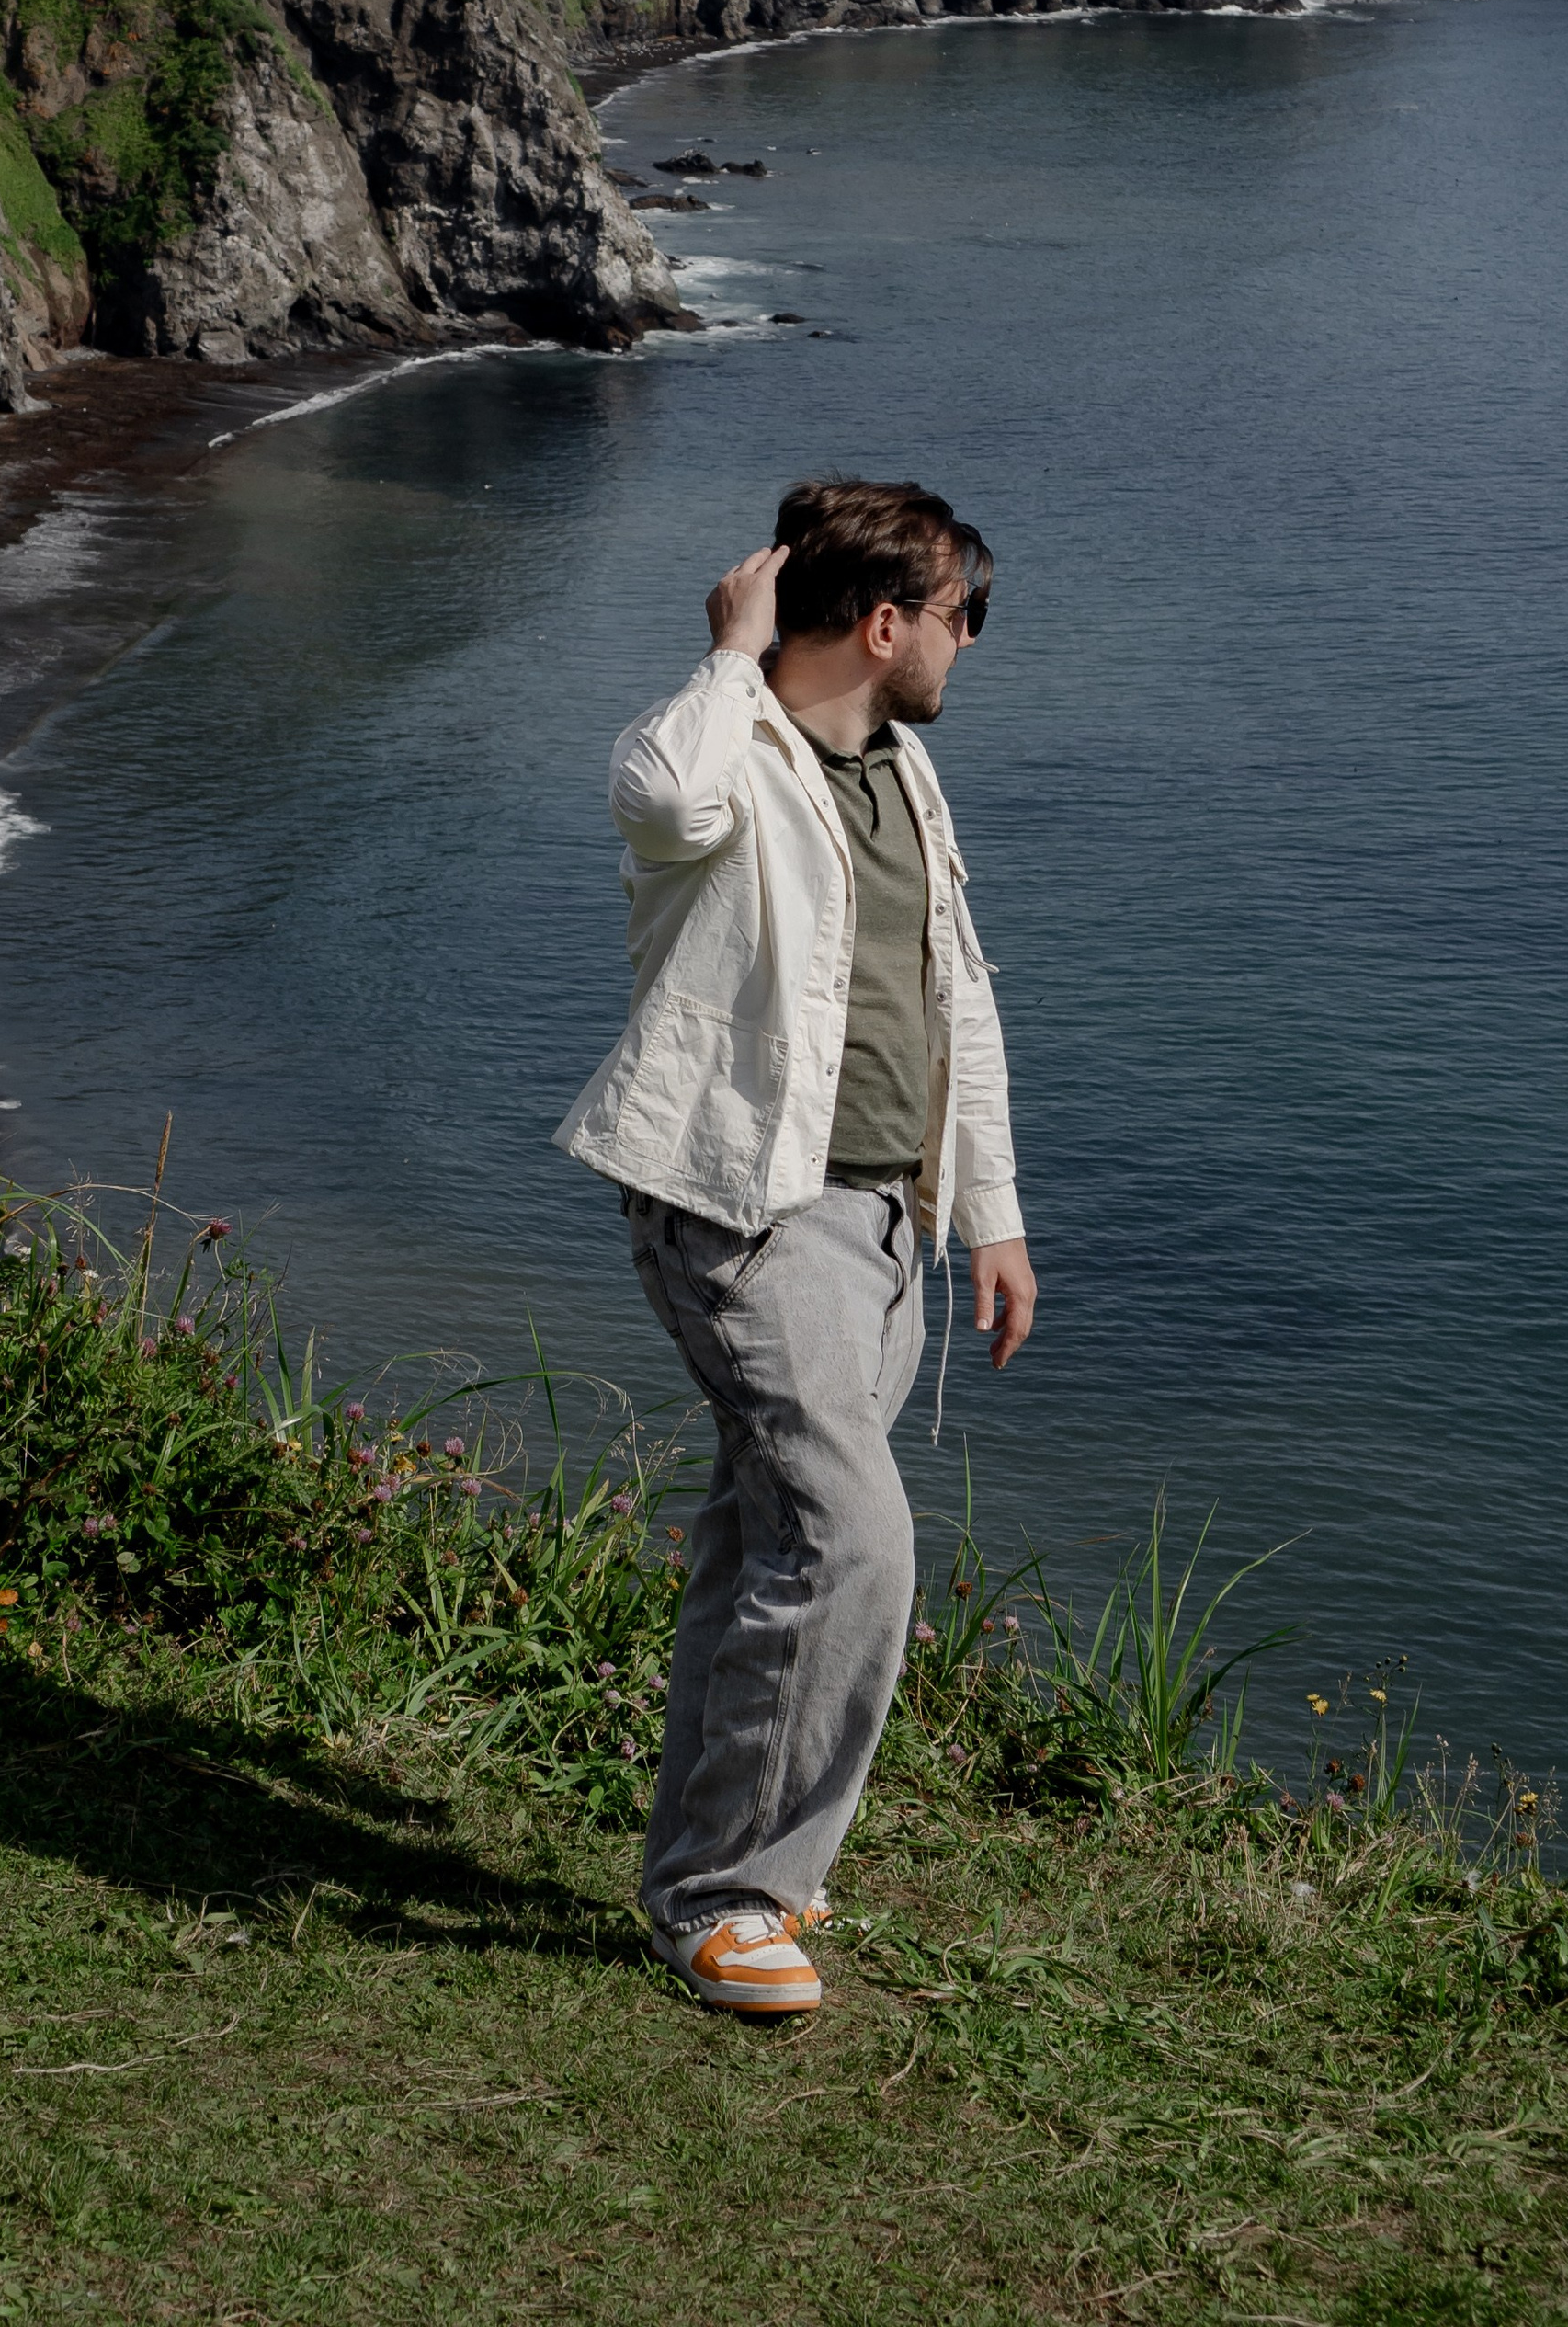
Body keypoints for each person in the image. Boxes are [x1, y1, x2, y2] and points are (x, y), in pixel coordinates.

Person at [556, 475, 1036, 2017]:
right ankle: (727, 1896)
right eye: (967, 616)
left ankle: (718, 1860)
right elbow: (654, 798)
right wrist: (732, 648)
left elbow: (955, 998)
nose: (973, 646)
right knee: (853, 1544)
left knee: (764, 1542)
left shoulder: (904, 774)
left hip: (888, 1222)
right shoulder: (734, 757)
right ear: (886, 623)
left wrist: (993, 1216)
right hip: (748, 1211)